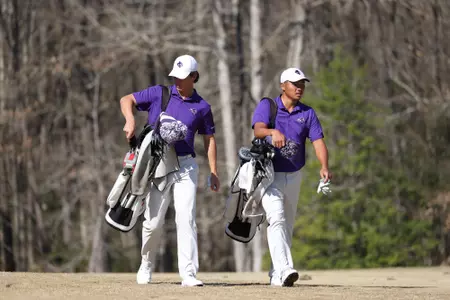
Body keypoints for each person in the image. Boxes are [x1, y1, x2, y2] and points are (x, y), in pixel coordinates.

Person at [120, 54, 220, 287]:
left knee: (186, 217)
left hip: (185, 165)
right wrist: (130, 120)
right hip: (158, 164)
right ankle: (146, 263)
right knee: (153, 222)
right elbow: (127, 100)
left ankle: (189, 273)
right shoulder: (159, 93)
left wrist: (213, 171)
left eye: (182, 77)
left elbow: (209, 139)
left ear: (194, 77)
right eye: (175, 76)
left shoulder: (203, 107)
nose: (177, 80)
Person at [251, 67, 332, 286]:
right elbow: (258, 129)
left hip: (294, 174)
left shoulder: (307, 113)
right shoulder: (268, 106)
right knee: (276, 218)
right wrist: (272, 132)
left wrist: (324, 166)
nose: (300, 88)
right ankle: (286, 269)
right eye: (295, 84)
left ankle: (276, 275)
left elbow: (317, 141)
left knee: (286, 226)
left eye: (302, 84)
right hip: (269, 174)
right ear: (282, 86)